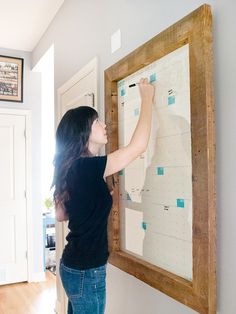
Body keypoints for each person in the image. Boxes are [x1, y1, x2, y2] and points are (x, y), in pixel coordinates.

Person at [51, 78, 155, 314]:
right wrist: (147, 99)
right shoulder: (87, 167)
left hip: (74, 266)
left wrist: (93, 201)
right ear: (84, 130)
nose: (104, 124)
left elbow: (60, 214)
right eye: (97, 120)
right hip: (87, 271)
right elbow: (137, 148)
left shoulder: (74, 167)